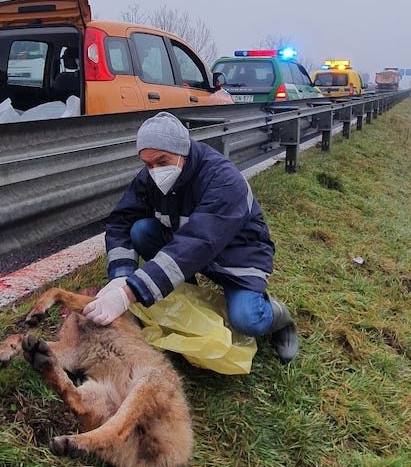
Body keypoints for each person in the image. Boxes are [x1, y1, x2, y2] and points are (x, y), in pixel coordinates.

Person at [82, 111, 299, 363]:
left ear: (183, 152)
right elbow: (121, 221)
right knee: (140, 230)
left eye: (162, 161)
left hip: (238, 257)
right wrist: (120, 276)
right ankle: (189, 296)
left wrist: (128, 293)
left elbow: (198, 242)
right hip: (193, 254)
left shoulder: (223, 179)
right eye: (148, 164)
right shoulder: (151, 176)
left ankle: (279, 317)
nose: (154, 171)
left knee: (246, 319)